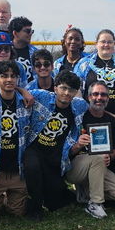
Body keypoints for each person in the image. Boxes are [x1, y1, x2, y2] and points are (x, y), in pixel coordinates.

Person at [23, 70, 89, 220]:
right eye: (63, 88)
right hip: (34, 148)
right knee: (32, 167)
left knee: (54, 204)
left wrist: (113, 116)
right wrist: (23, 92)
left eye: (71, 90)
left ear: (76, 92)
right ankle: (35, 208)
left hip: (56, 155)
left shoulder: (79, 105)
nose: (66, 93)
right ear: (55, 88)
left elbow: (96, 110)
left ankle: (59, 193)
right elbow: (16, 90)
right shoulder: (41, 96)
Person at [76, 29, 115, 182]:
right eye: (103, 41)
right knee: (98, 154)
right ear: (96, 44)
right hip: (96, 116)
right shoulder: (84, 64)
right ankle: (93, 189)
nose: (106, 44)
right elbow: (77, 92)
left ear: (114, 44)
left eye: (109, 41)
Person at [0, 61, 35, 220]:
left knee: (16, 213)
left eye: (13, 76)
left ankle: (11, 197)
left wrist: (22, 91)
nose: (9, 80)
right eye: (4, 76)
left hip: (17, 168)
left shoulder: (26, 101)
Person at [66, 81, 115, 218]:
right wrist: (78, 145)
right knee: (97, 158)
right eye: (95, 94)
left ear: (108, 98)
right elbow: (68, 152)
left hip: (99, 166)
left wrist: (110, 156)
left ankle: (85, 192)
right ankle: (95, 204)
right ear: (88, 97)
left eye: (103, 95)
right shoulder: (79, 116)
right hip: (75, 167)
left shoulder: (112, 121)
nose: (99, 97)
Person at [9, 16, 38, 80]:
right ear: (15, 33)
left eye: (31, 31)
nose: (30, 34)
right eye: (27, 31)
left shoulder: (36, 53)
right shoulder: (3, 52)